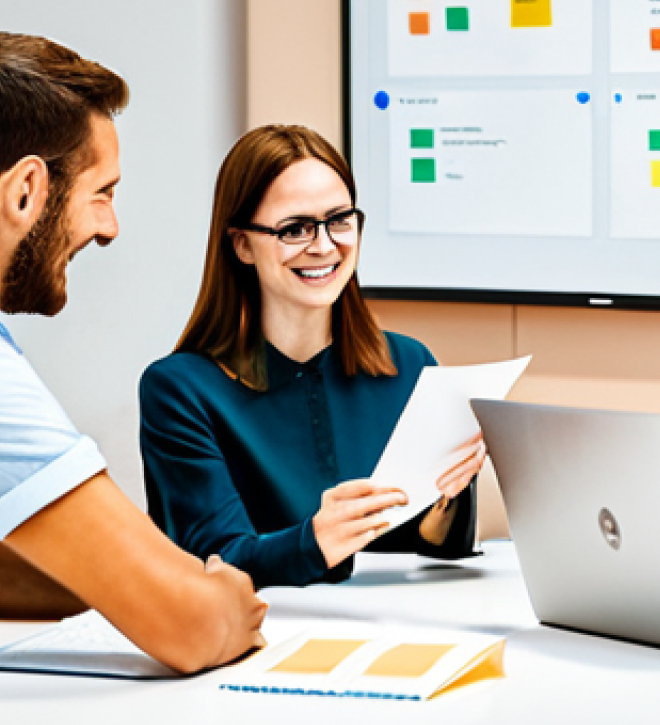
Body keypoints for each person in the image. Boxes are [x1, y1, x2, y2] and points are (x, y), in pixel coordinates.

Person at [0, 33, 266, 682]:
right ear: (27, 189)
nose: (110, 227)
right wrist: (214, 597)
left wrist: (138, 579)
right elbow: (191, 628)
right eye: (101, 192)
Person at [139, 125, 485, 588]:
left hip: (405, 638)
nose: (324, 246)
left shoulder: (412, 365)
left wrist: (448, 500)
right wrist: (317, 540)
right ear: (242, 244)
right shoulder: (179, 391)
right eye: (295, 229)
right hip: (261, 646)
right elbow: (214, 562)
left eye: (339, 220)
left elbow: (430, 547)